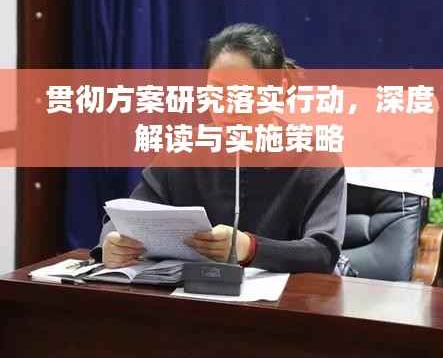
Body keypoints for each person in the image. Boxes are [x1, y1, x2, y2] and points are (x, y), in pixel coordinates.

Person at [91, 23, 347, 274]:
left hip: (287, 298)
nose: (228, 108)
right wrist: (111, 243)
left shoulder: (315, 159)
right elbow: (130, 214)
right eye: (217, 92)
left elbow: (323, 252)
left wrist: (251, 248)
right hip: (192, 294)